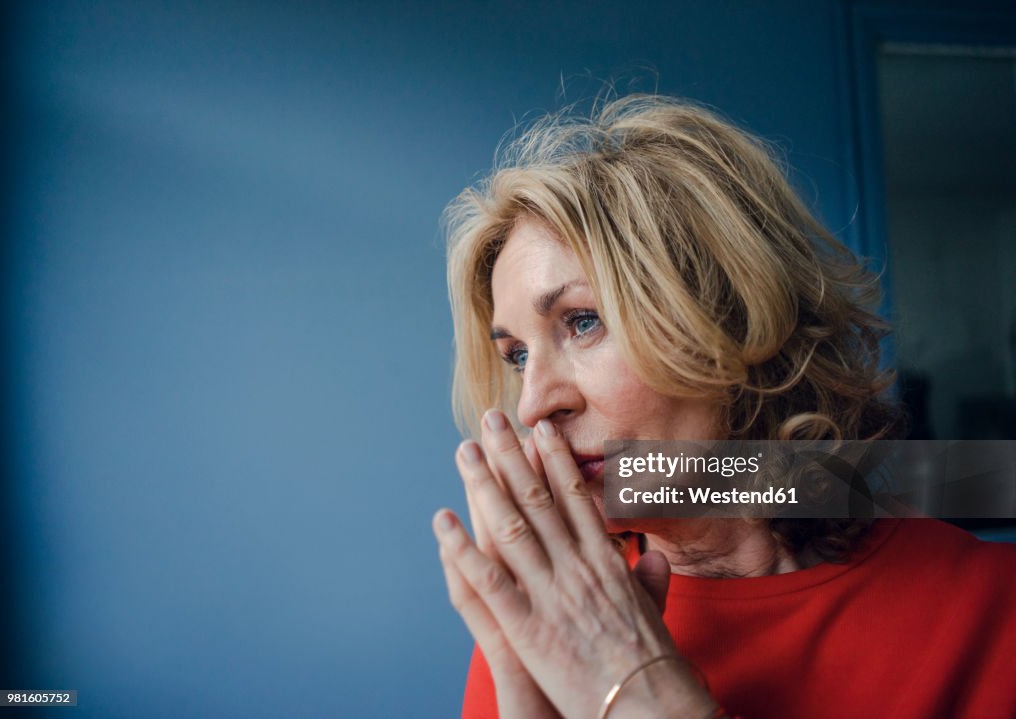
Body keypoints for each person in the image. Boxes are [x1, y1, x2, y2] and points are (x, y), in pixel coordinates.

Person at [431, 95, 1016, 719]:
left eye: (583, 322)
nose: (534, 404)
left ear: (732, 322)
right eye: (517, 355)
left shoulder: (990, 611)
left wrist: (647, 693)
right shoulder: (549, 618)